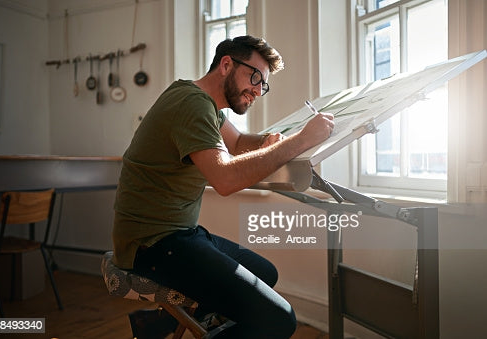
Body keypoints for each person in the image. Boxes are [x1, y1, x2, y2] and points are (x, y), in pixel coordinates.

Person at [112, 35, 334, 339]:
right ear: (226, 64)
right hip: (151, 244)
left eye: (263, 84)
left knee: (265, 273)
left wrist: (274, 141)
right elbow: (226, 179)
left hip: (175, 233)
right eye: (254, 76)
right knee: (279, 320)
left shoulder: (203, 105)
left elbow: (240, 143)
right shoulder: (192, 105)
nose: (257, 90)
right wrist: (302, 140)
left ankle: (155, 325)